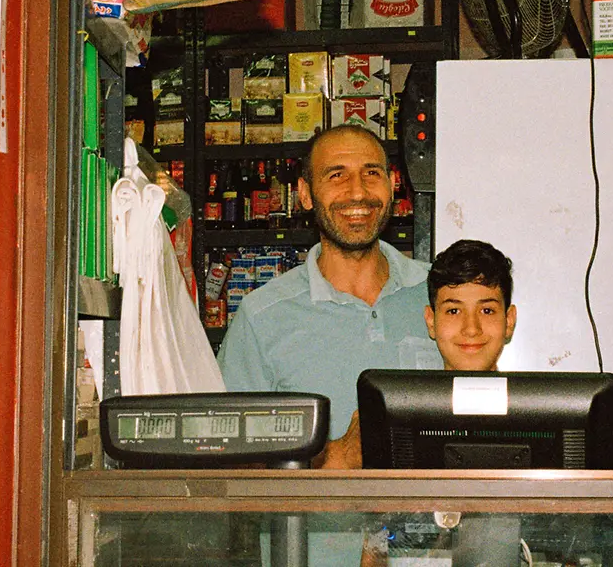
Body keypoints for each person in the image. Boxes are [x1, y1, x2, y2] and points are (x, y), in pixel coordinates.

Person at [216, 125, 440, 429]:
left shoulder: (442, 294)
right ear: (306, 195)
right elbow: (231, 449)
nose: (358, 192)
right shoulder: (262, 316)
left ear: (392, 184)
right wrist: (328, 460)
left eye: (372, 173)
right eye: (337, 175)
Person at [315, 239, 518, 469]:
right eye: (453, 310)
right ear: (431, 321)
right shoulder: (397, 420)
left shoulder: (533, 414)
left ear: (509, 321)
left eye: (487, 310)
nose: (471, 328)